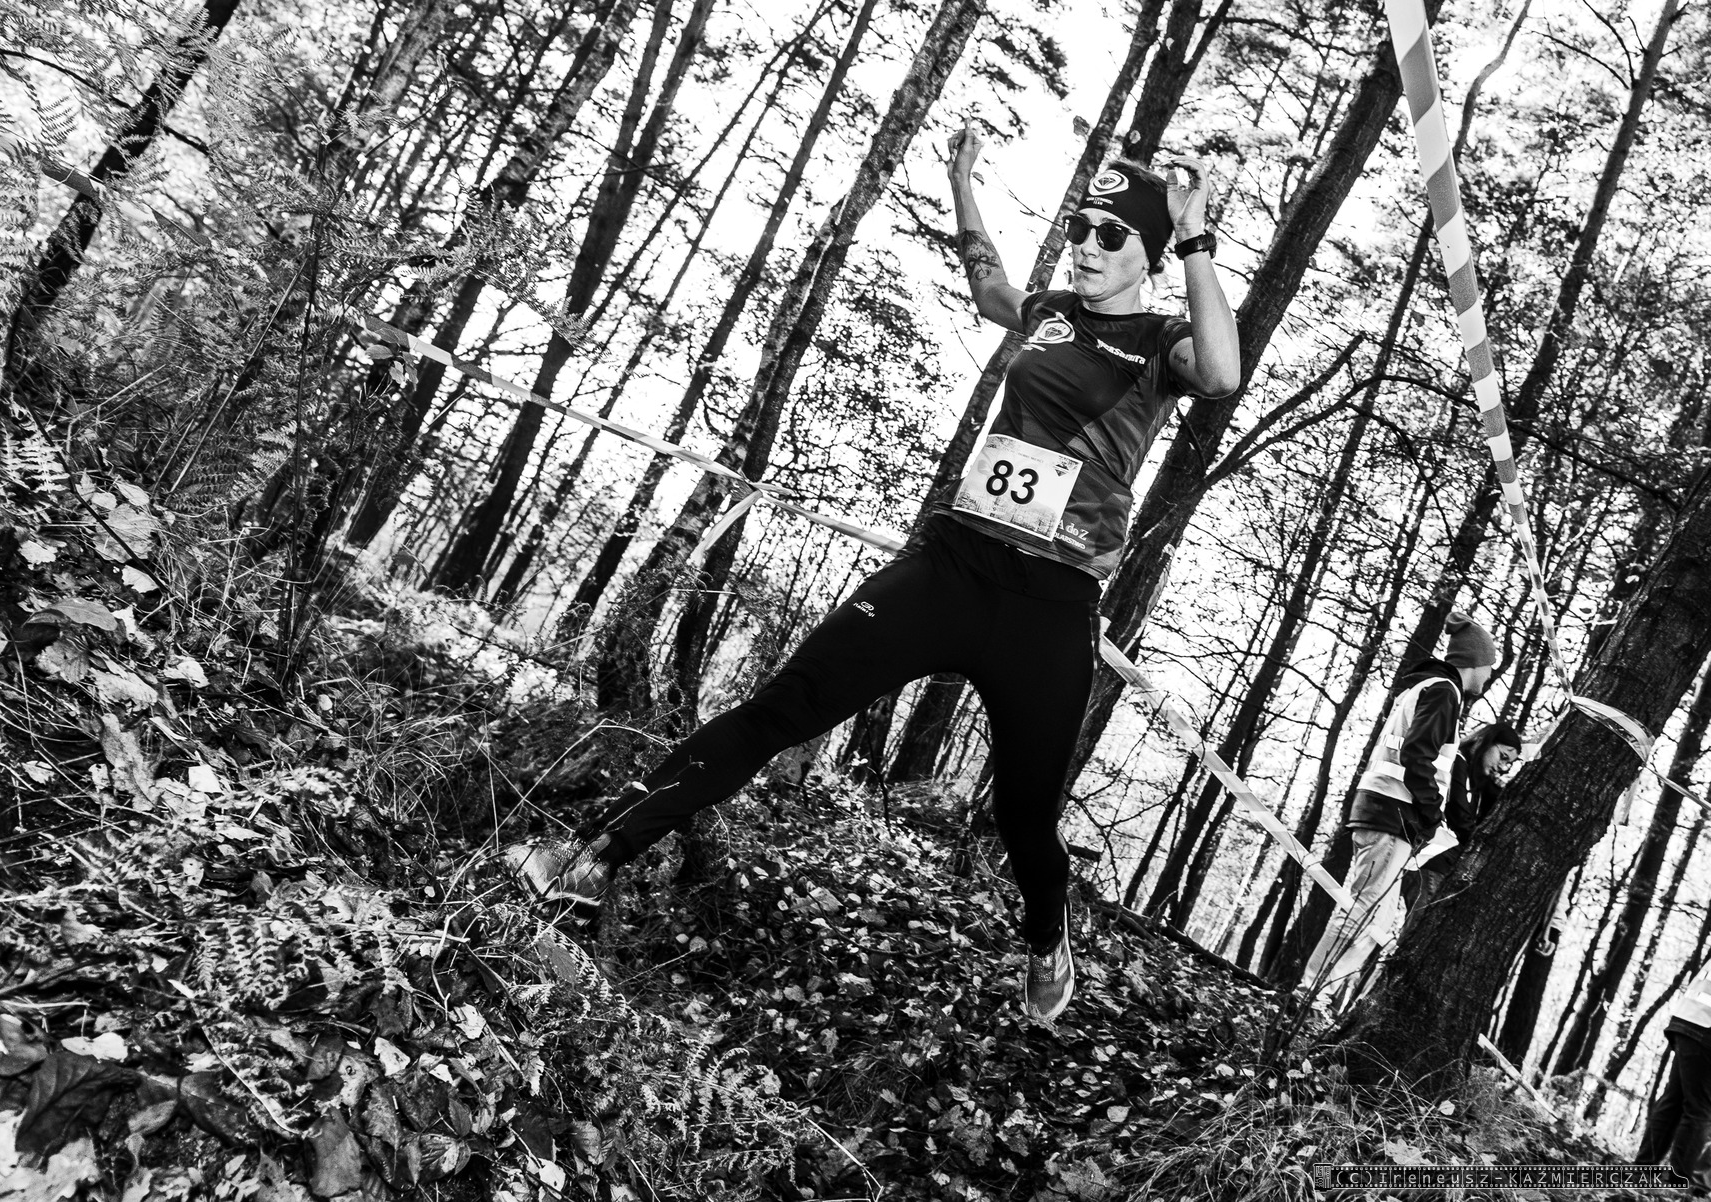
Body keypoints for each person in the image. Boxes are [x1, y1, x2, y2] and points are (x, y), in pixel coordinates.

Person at [509, 124, 1240, 1023]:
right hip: (950, 567)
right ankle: (591, 859)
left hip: (1050, 605)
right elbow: (987, 288)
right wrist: (962, 182)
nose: (1087, 246)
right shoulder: (1051, 311)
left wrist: (1198, 239)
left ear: (1151, 255)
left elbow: (1222, 372)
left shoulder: (1163, 342)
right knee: (779, 710)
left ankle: (1047, 934)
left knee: (1023, 817)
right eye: (1080, 228)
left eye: (1112, 235)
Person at [1299, 612, 1498, 1003]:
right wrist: (1431, 812)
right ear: (1475, 662)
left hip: (1386, 811)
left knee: (1379, 917)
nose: (1490, 675)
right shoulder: (1444, 691)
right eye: (1489, 666)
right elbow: (1416, 754)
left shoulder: (1428, 688)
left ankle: (1318, 996)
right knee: (1362, 908)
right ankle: (1310, 994)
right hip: (1394, 814)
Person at [1400, 719, 1521, 924]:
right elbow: (1459, 815)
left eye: (1509, 764)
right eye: (1503, 756)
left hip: (1440, 864)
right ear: (1485, 741)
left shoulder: (1477, 784)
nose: (1503, 767)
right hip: (1429, 861)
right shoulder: (1456, 762)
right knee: (1417, 926)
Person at [1635, 962, 1711, 1196]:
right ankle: (1676, 1188)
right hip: (1706, 1028)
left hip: (1689, 1019)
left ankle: (1641, 1174)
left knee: (1674, 1101)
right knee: (1700, 1110)